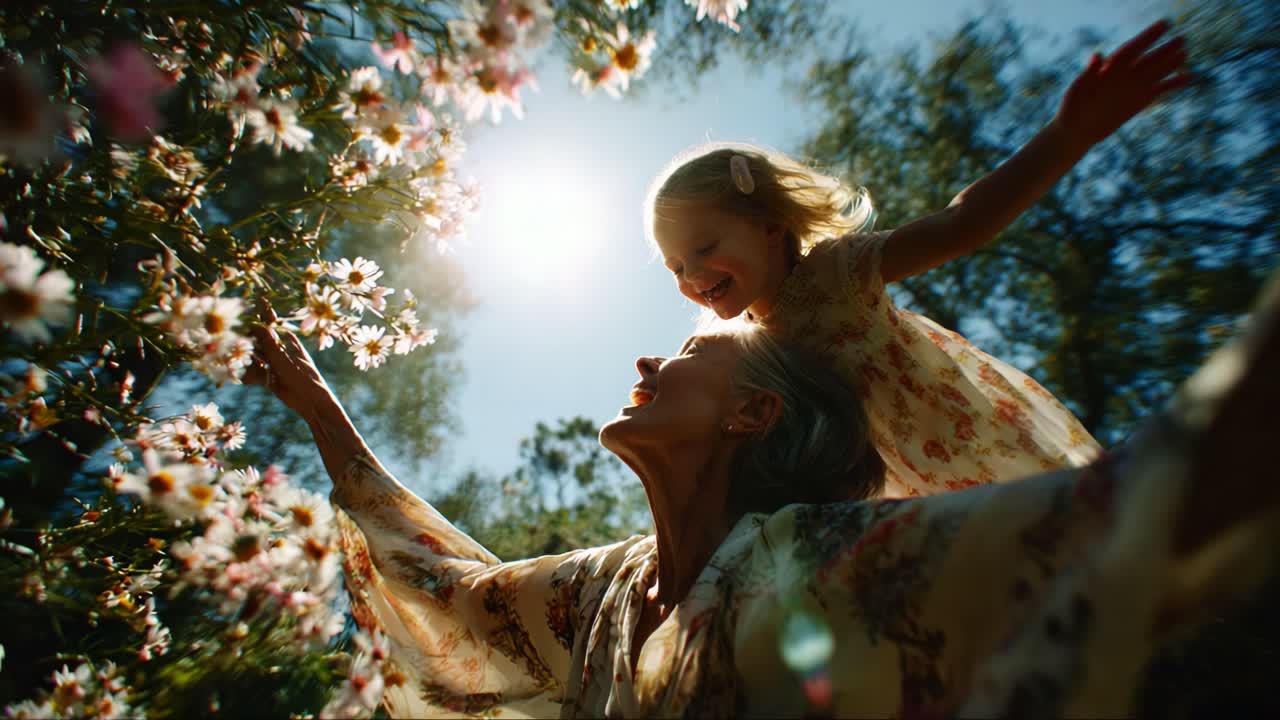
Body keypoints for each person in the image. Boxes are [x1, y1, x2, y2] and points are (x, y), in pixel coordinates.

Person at [246, 271, 1279, 719]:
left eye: (693, 351)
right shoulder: (599, 596)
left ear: (752, 416)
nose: (649, 355)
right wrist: (312, 397)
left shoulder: (818, 560)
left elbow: (1130, 516)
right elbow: (448, 589)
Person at [645, 20, 1193, 497]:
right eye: (674, 269)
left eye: (704, 249)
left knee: (1055, 537)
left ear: (769, 226)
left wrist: (1068, 136)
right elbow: (702, 409)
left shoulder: (837, 273)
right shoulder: (739, 348)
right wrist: (659, 392)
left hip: (965, 446)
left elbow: (962, 223)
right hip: (892, 495)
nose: (691, 276)